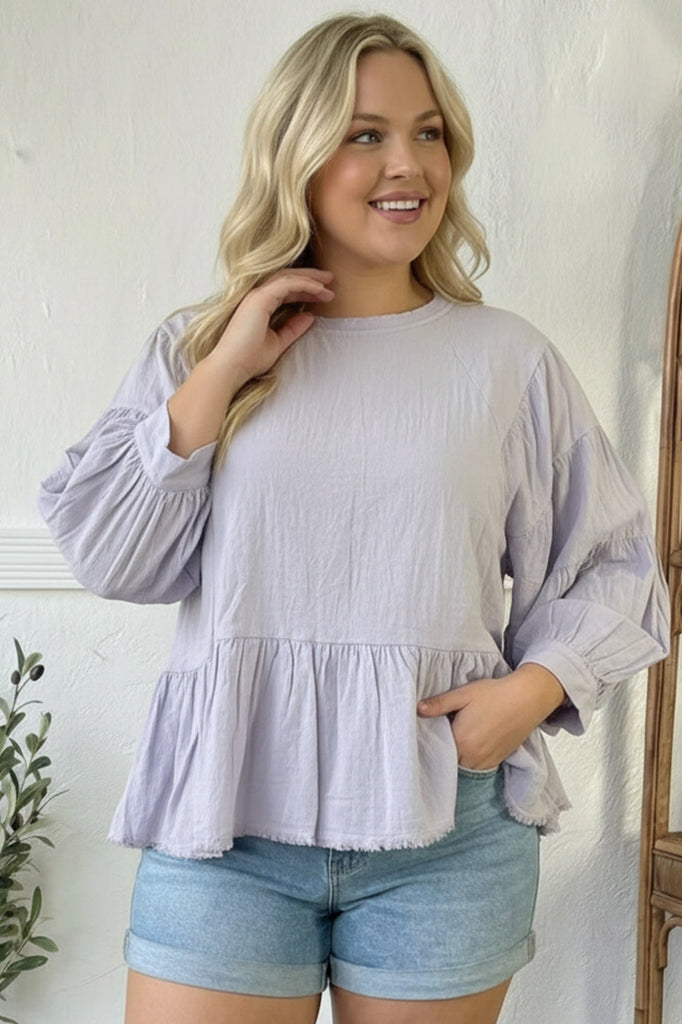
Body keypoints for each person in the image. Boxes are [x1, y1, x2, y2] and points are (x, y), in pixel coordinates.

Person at [37, 12, 670, 1024]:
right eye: (365, 133)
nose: (407, 163)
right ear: (294, 151)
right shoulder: (198, 348)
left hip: (445, 835)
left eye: (429, 133)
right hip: (227, 831)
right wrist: (226, 368)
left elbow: (615, 560)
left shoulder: (505, 361)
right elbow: (113, 555)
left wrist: (532, 689)